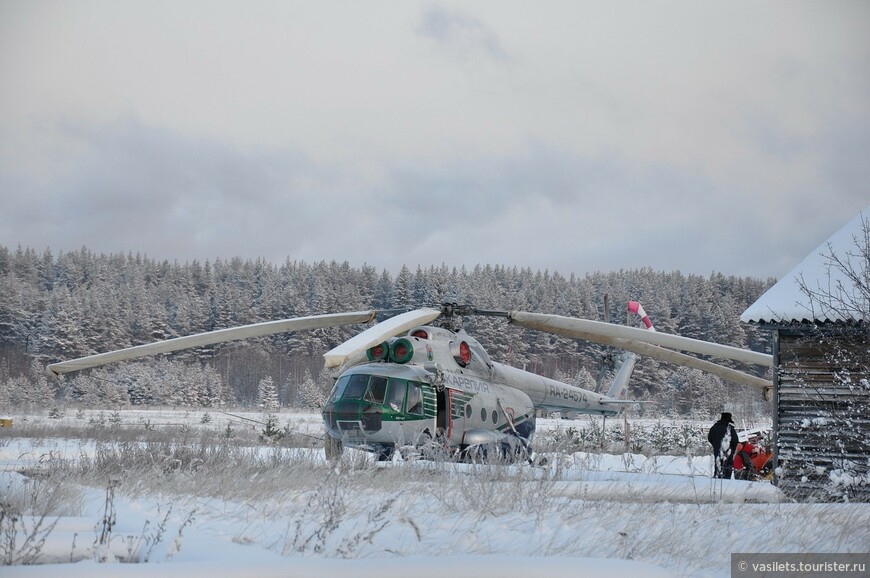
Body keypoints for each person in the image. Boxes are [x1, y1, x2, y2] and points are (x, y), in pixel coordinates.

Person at [708, 412, 738, 479]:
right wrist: (732, 450)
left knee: (718, 466)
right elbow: (735, 441)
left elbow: (710, 438)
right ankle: (725, 484)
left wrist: (716, 445)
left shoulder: (714, 428)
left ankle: (717, 480)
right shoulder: (730, 429)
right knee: (727, 468)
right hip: (728, 453)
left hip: (717, 451)